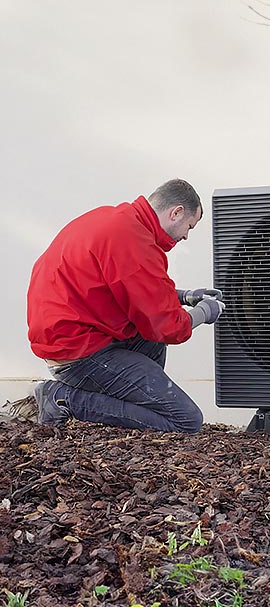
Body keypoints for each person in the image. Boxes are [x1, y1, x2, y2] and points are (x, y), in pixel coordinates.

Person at [26, 179, 224, 433]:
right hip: (77, 352)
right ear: (176, 212)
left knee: (150, 340)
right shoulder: (134, 243)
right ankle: (62, 398)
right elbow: (170, 327)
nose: (186, 234)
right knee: (185, 421)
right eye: (189, 226)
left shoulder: (117, 221)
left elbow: (125, 285)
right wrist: (205, 312)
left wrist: (185, 296)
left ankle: (136, 412)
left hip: (73, 335)